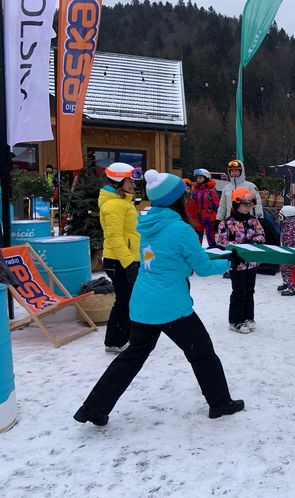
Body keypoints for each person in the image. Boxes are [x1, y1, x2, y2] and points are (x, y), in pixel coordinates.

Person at [74, 170, 243, 426]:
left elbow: (170, 258)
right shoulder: (180, 229)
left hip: (143, 303)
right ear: (176, 199)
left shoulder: (148, 224)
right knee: (202, 353)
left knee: (131, 358)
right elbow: (203, 268)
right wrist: (230, 261)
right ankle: (220, 403)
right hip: (171, 307)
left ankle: (93, 408)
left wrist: (215, 255)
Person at [99, 162, 141, 353]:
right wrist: (129, 263)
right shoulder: (114, 205)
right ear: (118, 181)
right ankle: (114, 341)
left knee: (129, 299)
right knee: (123, 300)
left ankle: (125, 336)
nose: (133, 184)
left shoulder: (124, 201)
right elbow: (114, 238)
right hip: (118, 260)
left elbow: (131, 233)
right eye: (129, 180)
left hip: (126, 258)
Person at [216, 187, 266, 333]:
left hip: (251, 263)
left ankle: (248, 317)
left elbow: (262, 236)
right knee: (239, 291)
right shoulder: (227, 223)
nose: (247, 208)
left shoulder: (253, 221)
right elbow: (221, 241)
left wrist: (253, 242)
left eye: (249, 206)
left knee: (250, 291)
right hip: (237, 264)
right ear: (236, 205)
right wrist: (237, 249)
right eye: (245, 206)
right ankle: (235, 321)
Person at [216, 159, 263, 223]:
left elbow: (257, 204)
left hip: (247, 221)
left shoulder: (250, 186)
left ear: (241, 171)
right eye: (231, 171)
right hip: (230, 222)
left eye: (236, 170)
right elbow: (222, 206)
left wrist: (260, 217)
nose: (233, 172)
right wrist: (218, 219)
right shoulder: (226, 188)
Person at [188, 168, 219, 247]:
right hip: (198, 218)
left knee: (211, 237)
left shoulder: (211, 191)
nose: (198, 179)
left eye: (200, 177)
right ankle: (197, 252)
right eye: (197, 178)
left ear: (206, 178)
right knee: (197, 239)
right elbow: (191, 205)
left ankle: (213, 250)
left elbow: (217, 205)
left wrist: (216, 218)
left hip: (209, 218)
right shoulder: (195, 191)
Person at [277, 205, 295, 296]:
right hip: (285, 250)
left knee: (288, 269)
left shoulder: (291, 228)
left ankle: (292, 288)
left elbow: (291, 240)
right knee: (283, 267)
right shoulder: (287, 224)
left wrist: (288, 252)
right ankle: (286, 282)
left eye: (281, 216)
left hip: (290, 253)